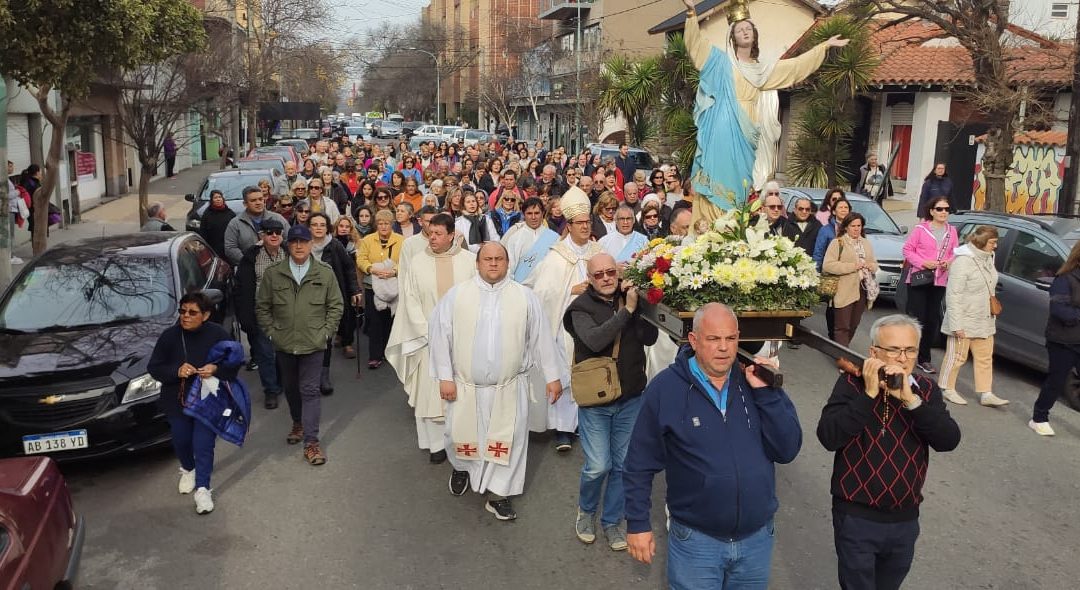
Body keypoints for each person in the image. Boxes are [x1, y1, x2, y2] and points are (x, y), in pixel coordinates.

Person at [625, 303, 801, 585]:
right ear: (693, 341)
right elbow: (639, 463)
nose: (723, 348)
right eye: (713, 339)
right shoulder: (665, 389)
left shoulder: (756, 382)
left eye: (730, 339)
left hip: (756, 540)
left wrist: (768, 396)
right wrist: (637, 523)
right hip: (697, 542)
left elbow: (788, 449)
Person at [817, 314, 960, 589]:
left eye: (910, 350)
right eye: (893, 350)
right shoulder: (851, 385)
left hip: (905, 519)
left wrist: (911, 400)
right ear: (874, 353)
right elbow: (829, 436)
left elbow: (948, 439)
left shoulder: (926, 390)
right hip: (857, 516)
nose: (902, 358)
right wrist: (869, 395)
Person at [681, 0, 847, 232]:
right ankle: (709, 228)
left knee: (740, 181)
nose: (745, 31)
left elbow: (793, 67)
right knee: (717, 176)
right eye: (740, 29)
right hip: (721, 125)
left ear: (755, 35)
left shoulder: (761, 70)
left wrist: (823, 47)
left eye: (748, 28)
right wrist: (691, 13)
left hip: (747, 129)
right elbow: (695, 45)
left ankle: (732, 228)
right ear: (732, 37)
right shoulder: (720, 62)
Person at [430, 242, 563, 521]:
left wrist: (553, 377)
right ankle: (462, 468)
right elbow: (440, 338)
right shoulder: (457, 296)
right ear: (477, 263)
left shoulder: (525, 297)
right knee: (461, 434)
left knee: (509, 441)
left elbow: (542, 339)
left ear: (507, 263)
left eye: (499, 259)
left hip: (508, 389)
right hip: (466, 387)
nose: (493, 263)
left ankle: (498, 495)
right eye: (487, 259)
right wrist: (445, 377)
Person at [562, 254, 657, 550]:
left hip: (630, 397)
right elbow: (594, 341)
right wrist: (626, 312)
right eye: (598, 274)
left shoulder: (629, 299)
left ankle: (612, 521)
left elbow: (650, 337)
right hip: (596, 402)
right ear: (589, 279)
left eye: (610, 273)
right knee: (597, 466)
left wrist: (640, 304)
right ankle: (587, 511)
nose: (606, 278)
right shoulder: (579, 308)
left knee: (623, 465)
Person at [386, 214, 477, 464]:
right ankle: (436, 445)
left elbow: (476, 299)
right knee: (430, 393)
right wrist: (428, 332)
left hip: (463, 339)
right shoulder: (417, 262)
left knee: (464, 393)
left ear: (451, 235)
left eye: (438, 233)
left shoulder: (469, 262)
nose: (432, 237)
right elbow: (410, 300)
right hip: (428, 339)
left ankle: (461, 441)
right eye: (430, 232)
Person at [255, 224, 344, 466]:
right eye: (294, 242)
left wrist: (326, 332)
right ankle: (298, 422)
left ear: (310, 244)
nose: (298, 246)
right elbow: (262, 307)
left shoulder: (324, 273)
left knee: (310, 390)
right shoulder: (274, 274)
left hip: (313, 344)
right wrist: (272, 333)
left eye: (303, 242)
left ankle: (311, 442)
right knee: (291, 389)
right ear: (288, 244)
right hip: (284, 344)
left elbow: (336, 305)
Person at [523, 187, 603, 451]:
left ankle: (584, 423)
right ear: (568, 225)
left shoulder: (597, 250)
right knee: (565, 373)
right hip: (563, 324)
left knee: (590, 371)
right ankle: (563, 430)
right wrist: (571, 290)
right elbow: (542, 291)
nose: (584, 226)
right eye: (579, 223)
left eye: (587, 222)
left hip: (594, 324)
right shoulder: (556, 255)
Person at [147, 292, 239, 514]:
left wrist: (216, 369)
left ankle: (203, 489)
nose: (185, 316)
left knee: (203, 445)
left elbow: (235, 362)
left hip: (208, 400)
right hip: (177, 400)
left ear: (205, 315)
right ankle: (188, 468)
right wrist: (176, 371)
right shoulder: (169, 337)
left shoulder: (218, 334)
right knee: (181, 440)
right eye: (182, 311)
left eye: (192, 312)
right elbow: (154, 367)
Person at [937, 225, 1006, 407]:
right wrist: (956, 324)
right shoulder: (963, 261)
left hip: (984, 317)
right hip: (964, 317)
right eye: (992, 242)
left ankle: (986, 393)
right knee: (957, 356)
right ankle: (947, 388)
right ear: (982, 242)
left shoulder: (989, 257)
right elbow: (954, 295)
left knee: (985, 356)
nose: (995, 246)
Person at [902, 196, 958, 373]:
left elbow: (955, 252)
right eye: (940, 209)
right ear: (932, 211)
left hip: (939, 280)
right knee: (917, 318)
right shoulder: (920, 229)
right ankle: (905, 352)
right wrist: (923, 262)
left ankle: (924, 358)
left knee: (932, 320)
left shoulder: (952, 231)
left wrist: (949, 262)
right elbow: (907, 250)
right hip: (919, 279)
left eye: (946, 209)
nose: (944, 212)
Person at [235, 219, 287, 409]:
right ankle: (271, 390)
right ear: (261, 235)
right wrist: (245, 316)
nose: (274, 236)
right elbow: (241, 288)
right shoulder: (251, 257)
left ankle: (284, 383)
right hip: (261, 312)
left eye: (277, 232)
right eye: (269, 232)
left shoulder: (289, 253)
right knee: (265, 353)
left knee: (284, 351)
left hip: (287, 312)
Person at [1030, 240, 1080, 436]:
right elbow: (1060, 310)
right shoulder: (1064, 279)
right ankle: (1039, 417)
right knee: (1057, 380)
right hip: (1063, 340)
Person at [310, 212, 362, 364]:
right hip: (311, 292)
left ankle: (347, 343)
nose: (319, 228)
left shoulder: (335, 245)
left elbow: (348, 268)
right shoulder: (303, 244)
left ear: (327, 227)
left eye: (322, 225)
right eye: (314, 224)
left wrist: (355, 290)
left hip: (335, 287)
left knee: (345, 315)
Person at [356, 209, 403, 370]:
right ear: (376, 224)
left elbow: (405, 260)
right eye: (381, 223)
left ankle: (389, 352)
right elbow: (361, 259)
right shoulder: (367, 240)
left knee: (391, 321)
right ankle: (375, 356)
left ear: (392, 224)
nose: (383, 226)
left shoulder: (401, 240)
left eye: (387, 223)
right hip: (372, 287)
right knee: (374, 322)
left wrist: (394, 271)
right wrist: (371, 269)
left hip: (394, 287)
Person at [823, 213, 879, 347]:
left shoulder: (866, 243)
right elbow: (828, 265)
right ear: (846, 227)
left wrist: (872, 266)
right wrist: (853, 266)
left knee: (853, 324)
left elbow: (874, 263)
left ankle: (842, 351)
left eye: (859, 226)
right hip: (844, 288)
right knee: (842, 326)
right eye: (853, 226)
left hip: (863, 288)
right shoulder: (838, 242)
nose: (856, 229)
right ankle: (843, 358)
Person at [223, 186, 290, 266]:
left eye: (260, 199)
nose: (258, 203)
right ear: (245, 204)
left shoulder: (278, 219)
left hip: (278, 268)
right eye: (253, 200)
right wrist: (248, 261)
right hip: (249, 270)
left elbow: (290, 241)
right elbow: (230, 248)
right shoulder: (235, 224)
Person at [502, 197, 559, 282]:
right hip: (522, 289)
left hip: (547, 289)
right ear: (524, 214)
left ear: (543, 213)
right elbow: (509, 269)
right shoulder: (515, 239)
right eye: (529, 213)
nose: (533, 217)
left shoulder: (554, 238)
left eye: (536, 213)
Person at [198, 190, 234, 257]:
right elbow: (203, 231)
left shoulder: (229, 213)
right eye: (215, 198)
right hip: (213, 247)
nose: (218, 199)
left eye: (219, 197)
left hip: (228, 246)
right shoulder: (207, 214)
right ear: (212, 200)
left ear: (222, 199)